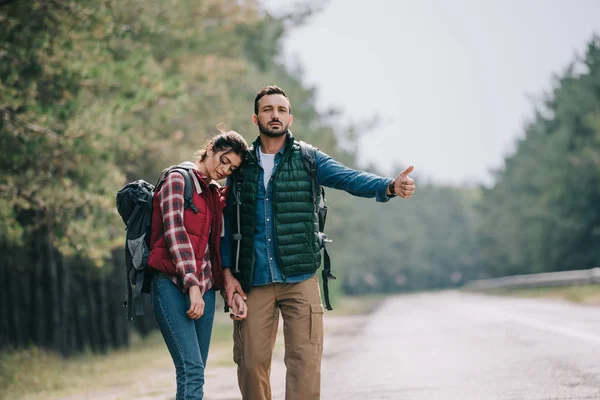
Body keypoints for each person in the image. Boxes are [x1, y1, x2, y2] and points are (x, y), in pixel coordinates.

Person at [220, 86, 416, 400]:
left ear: (290, 117)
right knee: (250, 363)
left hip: (301, 277)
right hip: (253, 279)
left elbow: (349, 178)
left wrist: (389, 186)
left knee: (305, 363)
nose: (275, 115)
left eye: (282, 110)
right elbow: (227, 224)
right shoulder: (241, 167)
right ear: (256, 118)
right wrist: (227, 275)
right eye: (268, 109)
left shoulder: (308, 158)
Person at [147, 129, 249, 400]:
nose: (224, 169)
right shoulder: (177, 179)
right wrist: (191, 284)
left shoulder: (215, 193)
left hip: (203, 287)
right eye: (223, 160)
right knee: (191, 369)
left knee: (194, 371)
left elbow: (214, 248)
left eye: (231, 168)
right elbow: (175, 233)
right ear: (212, 148)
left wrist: (223, 289)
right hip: (170, 283)